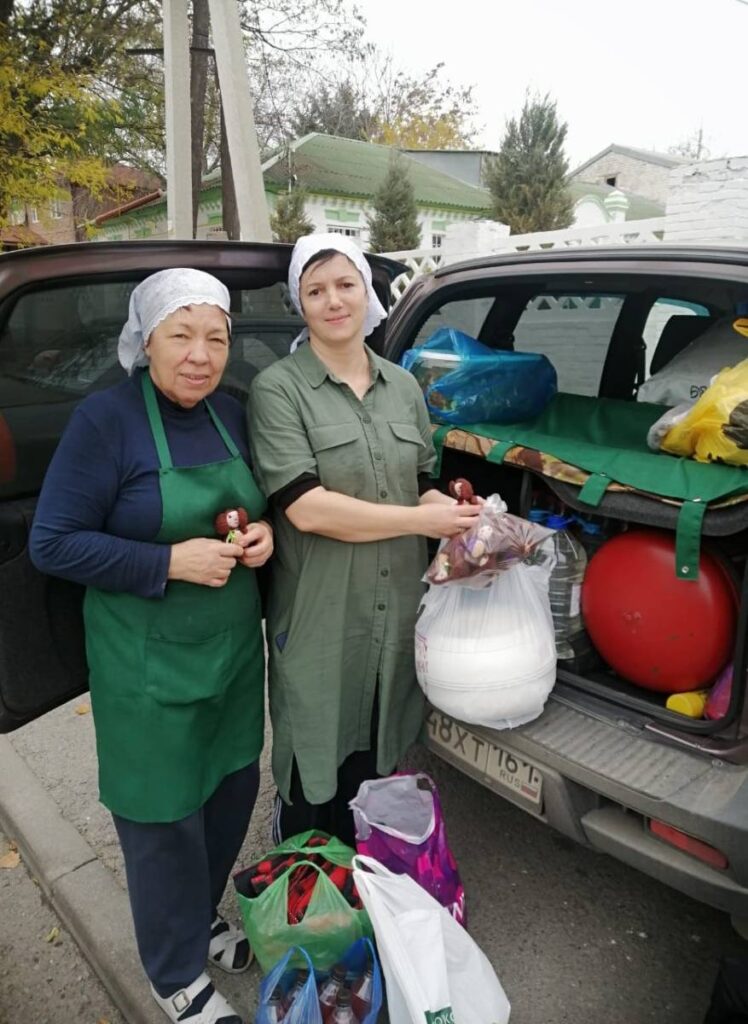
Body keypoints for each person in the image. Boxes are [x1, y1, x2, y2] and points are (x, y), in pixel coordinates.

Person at [30, 269, 273, 1024]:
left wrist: (262, 535)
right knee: (162, 818)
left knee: (229, 794)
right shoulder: (105, 421)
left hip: (231, 654)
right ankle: (173, 971)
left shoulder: (232, 413)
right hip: (145, 663)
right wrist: (167, 562)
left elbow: (250, 509)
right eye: (182, 335)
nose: (201, 355)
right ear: (146, 340)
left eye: (216, 338)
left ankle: (195, 915)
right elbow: (52, 543)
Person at [248, 233, 481, 848]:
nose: (333, 301)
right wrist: (421, 523)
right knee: (312, 772)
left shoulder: (402, 387)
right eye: (315, 290)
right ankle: (303, 886)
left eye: (345, 285)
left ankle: (362, 888)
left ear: (367, 294)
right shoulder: (278, 389)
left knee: (375, 767)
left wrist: (459, 515)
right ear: (300, 303)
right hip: (323, 615)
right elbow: (307, 509)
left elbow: (421, 484)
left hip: (395, 608)